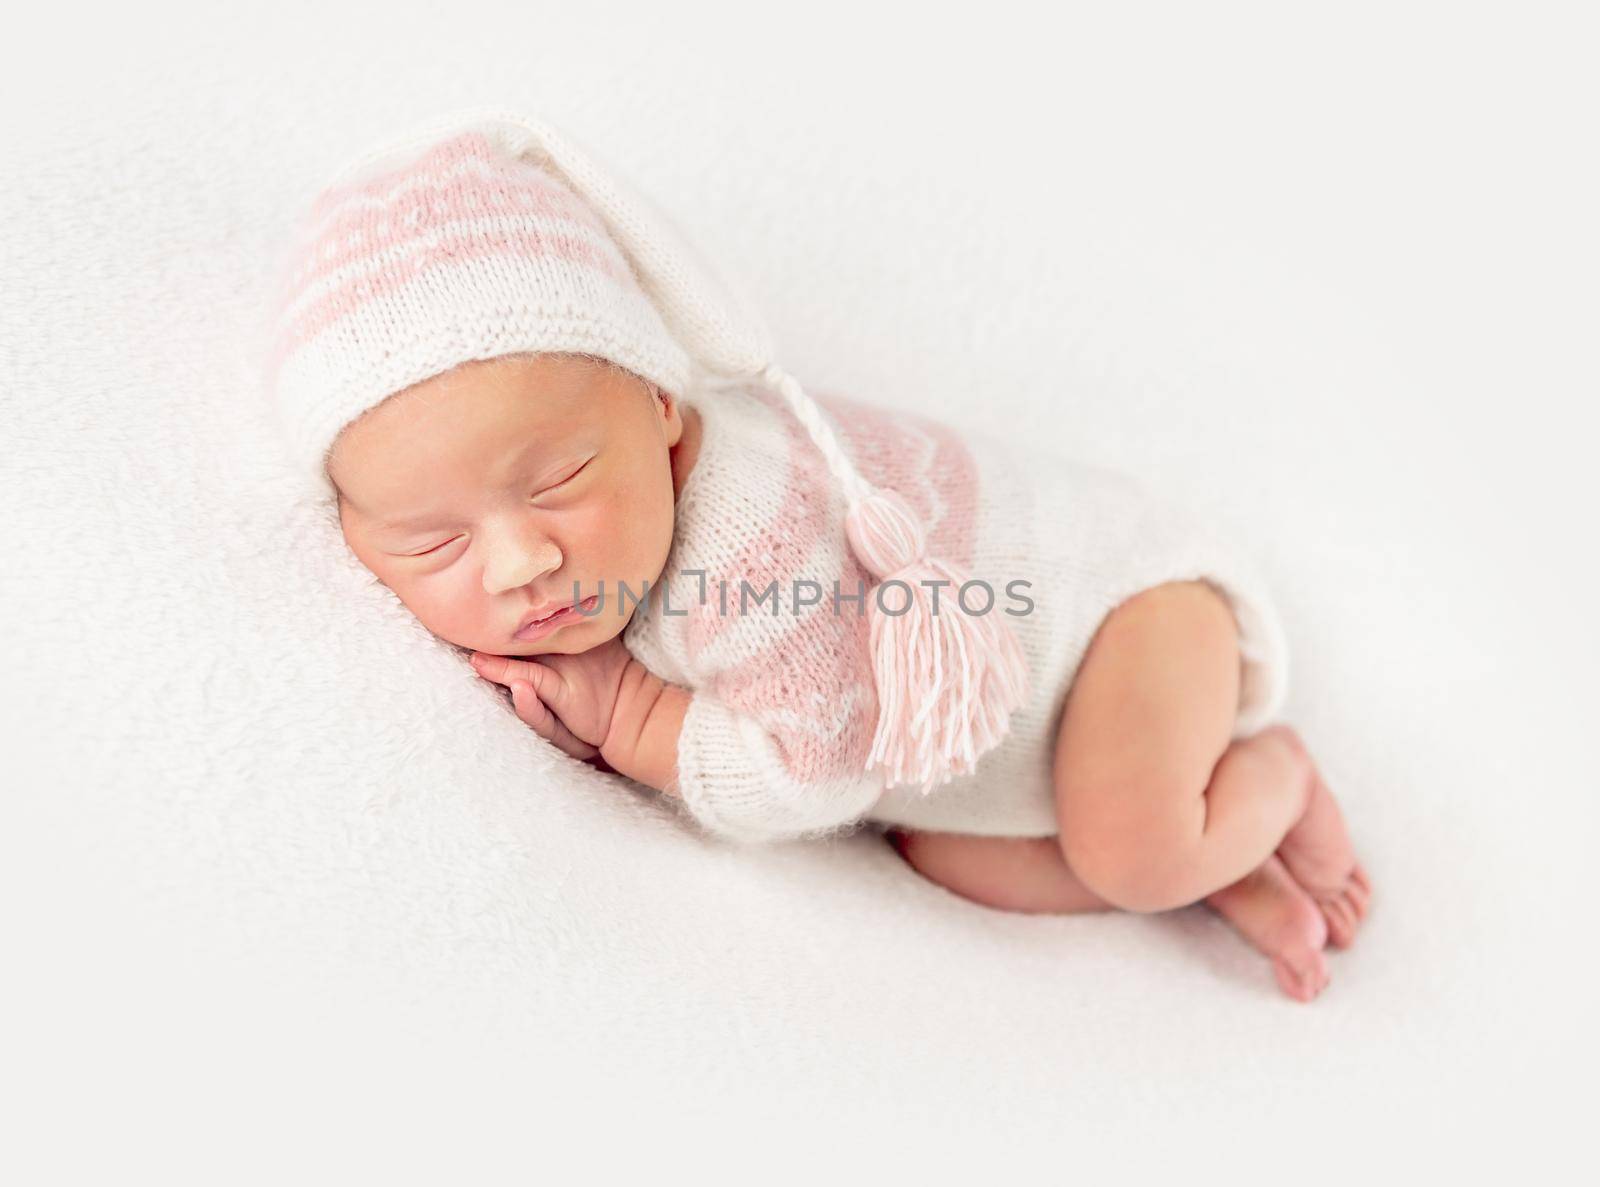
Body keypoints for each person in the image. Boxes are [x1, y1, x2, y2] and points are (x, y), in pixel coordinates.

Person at [265, 108, 1369, 1003]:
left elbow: (820, 768)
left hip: (1128, 615)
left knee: (1129, 845)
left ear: (658, 402)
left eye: (556, 481)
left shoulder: (748, 545)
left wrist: (637, 721)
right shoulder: (602, 541)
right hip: (1010, 741)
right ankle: (1223, 863)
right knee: (961, 857)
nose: (516, 563)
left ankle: (1272, 774)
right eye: (431, 540)